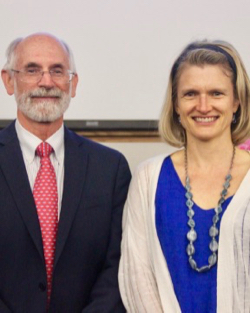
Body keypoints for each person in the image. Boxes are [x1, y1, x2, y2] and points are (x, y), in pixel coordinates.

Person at [0, 33, 131, 313]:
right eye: (32, 70)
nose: (46, 82)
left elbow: (117, 266)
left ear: (73, 84)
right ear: (9, 80)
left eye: (57, 71)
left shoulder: (110, 169)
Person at [119, 40, 250, 312]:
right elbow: (137, 276)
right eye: (190, 94)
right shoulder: (148, 179)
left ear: (237, 102)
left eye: (217, 93)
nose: (203, 106)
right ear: (176, 104)